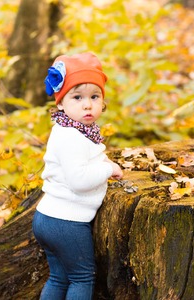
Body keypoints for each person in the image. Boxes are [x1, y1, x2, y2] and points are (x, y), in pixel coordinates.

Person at [32, 52, 123, 300]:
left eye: (95, 96)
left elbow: (84, 160)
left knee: (60, 278)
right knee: (82, 278)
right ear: (60, 102)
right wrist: (108, 169)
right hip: (67, 222)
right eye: (77, 97)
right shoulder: (72, 136)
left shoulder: (72, 130)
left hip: (48, 218)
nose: (87, 104)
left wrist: (101, 162)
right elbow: (78, 180)